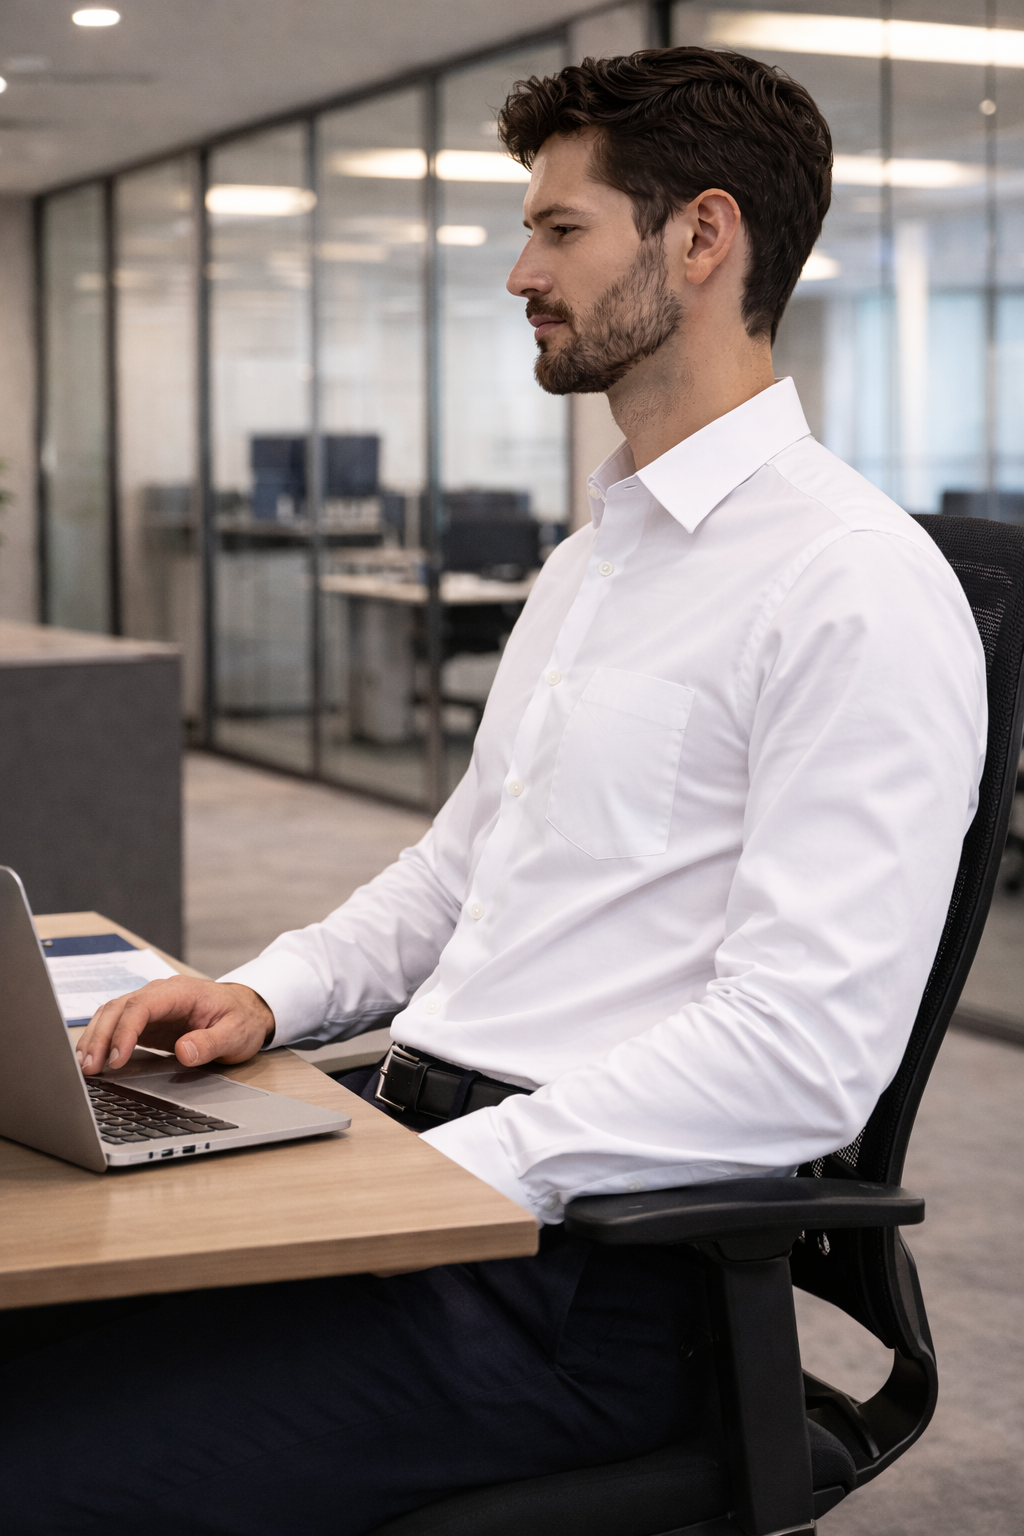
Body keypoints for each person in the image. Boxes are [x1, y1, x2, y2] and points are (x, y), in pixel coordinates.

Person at [1, 47, 985, 1536]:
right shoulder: (597, 563)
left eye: (562, 229)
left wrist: (438, 1179)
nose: (522, 269)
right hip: (424, 1180)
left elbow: (801, 1051)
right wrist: (264, 997)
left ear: (702, 238)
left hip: (581, 1287)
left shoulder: (851, 586)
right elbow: (457, 873)